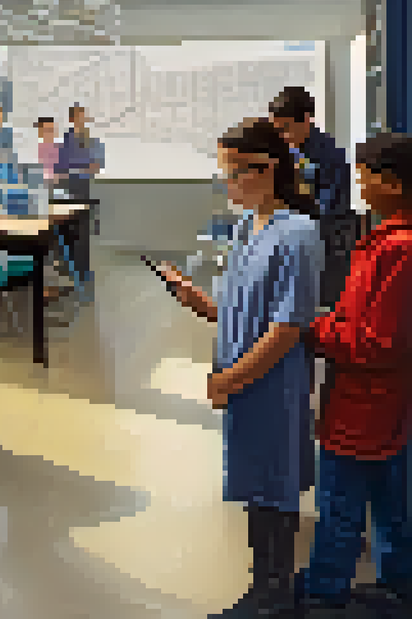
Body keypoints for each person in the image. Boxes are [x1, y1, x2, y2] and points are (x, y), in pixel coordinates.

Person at [154, 117, 321, 619]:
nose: (226, 184)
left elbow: (286, 328)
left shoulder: (298, 233)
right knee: (255, 486)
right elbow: (242, 310)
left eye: (233, 173)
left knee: (275, 486)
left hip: (272, 384)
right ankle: (262, 588)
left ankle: (275, 595)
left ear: (266, 169)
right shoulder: (251, 227)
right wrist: (197, 302)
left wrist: (230, 378)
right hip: (248, 383)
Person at [294, 132, 412, 615]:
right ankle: (396, 586)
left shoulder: (399, 250)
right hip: (380, 404)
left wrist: (314, 329)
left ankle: (326, 592)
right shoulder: (383, 242)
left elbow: (377, 342)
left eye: (366, 178)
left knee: (342, 507)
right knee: (390, 505)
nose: (360, 186)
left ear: (392, 183)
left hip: (367, 403)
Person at [268, 85, 354, 308]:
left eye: (286, 128)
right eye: (277, 130)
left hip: (327, 239)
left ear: (306, 119)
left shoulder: (329, 154)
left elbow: (329, 206)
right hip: (295, 236)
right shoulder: (288, 150)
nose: (282, 137)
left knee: (322, 304)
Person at [55, 104, 105, 286]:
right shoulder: (65, 142)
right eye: (77, 117)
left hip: (85, 189)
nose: (81, 120)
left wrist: (77, 168)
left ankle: (83, 272)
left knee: (83, 231)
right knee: (68, 231)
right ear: (71, 119)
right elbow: (59, 167)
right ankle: (70, 271)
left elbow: (96, 165)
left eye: (83, 116)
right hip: (67, 190)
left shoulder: (92, 141)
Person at [35, 117, 61, 185]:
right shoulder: (36, 148)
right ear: (40, 132)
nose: (50, 133)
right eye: (47, 130)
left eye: (52, 130)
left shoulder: (60, 147)